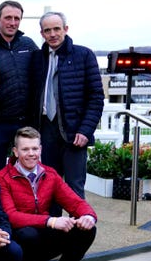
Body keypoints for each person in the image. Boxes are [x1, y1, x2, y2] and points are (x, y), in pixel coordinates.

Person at [0, 126, 97, 261]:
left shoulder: (50, 174)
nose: (31, 154)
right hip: (18, 243)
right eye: (25, 149)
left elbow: (74, 201)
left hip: (43, 238)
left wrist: (88, 216)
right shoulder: (2, 178)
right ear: (15, 152)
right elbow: (11, 216)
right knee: (27, 234)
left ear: (41, 149)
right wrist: (50, 221)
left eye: (34, 148)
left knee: (88, 230)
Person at [30, 11, 104, 199]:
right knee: (48, 187)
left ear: (66, 29)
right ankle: (53, 227)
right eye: (48, 30)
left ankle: (80, 228)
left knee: (74, 189)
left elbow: (96, 97)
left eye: (57, 29)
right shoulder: (37, 58)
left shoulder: (83, 55)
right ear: (42, 33)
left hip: (74, 132)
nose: (53, 34)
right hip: (45, 131)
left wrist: (85, 130)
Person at [0, 0, 38, 178]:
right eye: (8, 18)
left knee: (26, 172)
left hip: (26, 122)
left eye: (17, 18)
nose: (12, 22)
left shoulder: (29, 45)